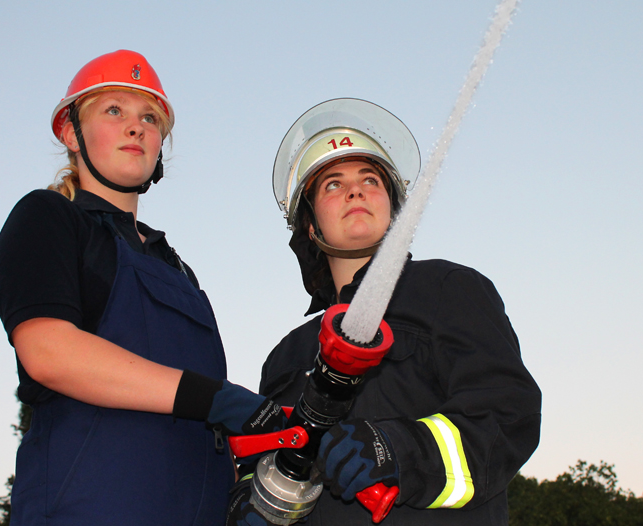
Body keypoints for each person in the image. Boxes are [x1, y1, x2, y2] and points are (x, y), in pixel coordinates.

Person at [0, 50, 285, 526]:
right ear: (71, 133)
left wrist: (245, 481)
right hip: (88, 510)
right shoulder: (48, 219)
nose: (136, 127)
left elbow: (206, 423)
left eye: (149, 117)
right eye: (114, 111)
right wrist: (218, 399)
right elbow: (49, 352)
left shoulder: (178, 267)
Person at [229, 99, 542, 525]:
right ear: (311, 225)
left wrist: (397, 449)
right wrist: (249, 494)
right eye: (332, 184)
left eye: (370, 179)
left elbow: (508, 416)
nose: (355, 190)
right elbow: (268, 464)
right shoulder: (286, 356)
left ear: (395, 210)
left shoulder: (448, 289)